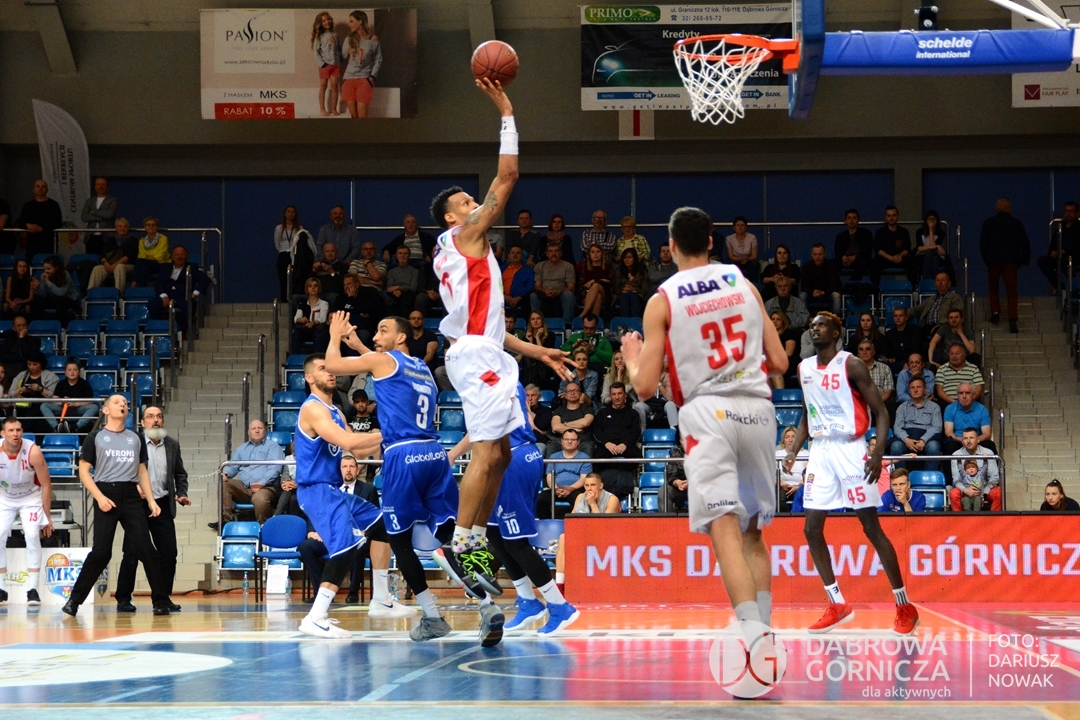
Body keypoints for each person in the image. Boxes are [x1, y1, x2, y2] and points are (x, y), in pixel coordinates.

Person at [622, 205, 789, 643]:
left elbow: (644, 388)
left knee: (724, 527)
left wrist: (632, 356)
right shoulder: (744, 283)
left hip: (708, 411)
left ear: (671, 245)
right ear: (712, 242)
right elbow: (779, 361)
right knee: (752, 530)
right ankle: (764, 633)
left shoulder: (663, 299)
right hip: (756, 408)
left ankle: (753, 637)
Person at [429, 78, 571, 591]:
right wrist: (507, 110)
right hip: (476, 356)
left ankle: (472, 540)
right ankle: (459, 544)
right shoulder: (465, 234)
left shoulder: (461, 252)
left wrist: (538, 350)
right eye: (466, 200)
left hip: (484, 349)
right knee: (488, 451)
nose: (475, 203)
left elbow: (492, 330)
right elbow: (508, 176)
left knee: (504, 453)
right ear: (452, 217)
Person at [323, 314, 495, 641]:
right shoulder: (421, 367)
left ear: (401, 337)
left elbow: (333, 365)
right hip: (434, 453)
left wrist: (334, 335)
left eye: (383, 330)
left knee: (399, 541)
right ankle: (487, 603)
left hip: (403, 455)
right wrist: (358, 345)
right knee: (449, 533)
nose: (376, 336)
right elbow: (383, 366)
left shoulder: (382, 361)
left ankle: (432, 617)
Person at [783, 312, 919, 635]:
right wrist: (793, 451)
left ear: (836, 332)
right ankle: (837, 603)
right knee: (811, 528)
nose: (815, 328)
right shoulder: (803, 368)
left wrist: (877, 454)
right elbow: (806, 414)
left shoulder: (852, 364)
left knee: (871, 527)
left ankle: (904, 606)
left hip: (851, 448)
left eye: (821, 325)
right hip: (820, 451)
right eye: (812, 325)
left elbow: (882, 413)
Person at [291, 349, 411, 639]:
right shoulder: (313, 409)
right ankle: (315, 617)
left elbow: (357, 449)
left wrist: (392, 439)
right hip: (316, 489)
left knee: (382, 525)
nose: (331, 372)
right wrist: (391, 431)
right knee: (347, 547)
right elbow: (348, 440)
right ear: (309, 378)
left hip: (333, 489)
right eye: (323, 368)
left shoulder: (335, 410)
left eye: (331, 368)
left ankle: (381, 599)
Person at [445, 385, 579, 635]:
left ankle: (559, 606)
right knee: (495, 532)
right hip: (515, 456)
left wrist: (452, 454)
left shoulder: (486, 382)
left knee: (516, 542)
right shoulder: (505, 377)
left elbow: (480, 432)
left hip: (514, 460)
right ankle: (528, 601)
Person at [63, 395, 172, 616]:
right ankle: (74, 601)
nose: (122, 404)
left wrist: (151, 500)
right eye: (116, 402)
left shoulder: (135, 438)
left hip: (131, 494)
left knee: (147, 550)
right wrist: (99, 497)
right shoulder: (95, 437)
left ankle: (161, 601)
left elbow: (142, 471)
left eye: (125, 403)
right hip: (106, 492)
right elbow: (84, 472)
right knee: (101, 553)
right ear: (105, 410)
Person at [114, 406, 187, 613]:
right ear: (142, 422)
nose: (155, 420)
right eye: (150, 416)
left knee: (169, 553)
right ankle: (123, 598)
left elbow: (180, 473)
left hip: (162, 503)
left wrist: (181, 493)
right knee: (131, 553)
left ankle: (162, 598)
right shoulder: (133, 442)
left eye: (159, 416)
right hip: (137, 505)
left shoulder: (172, 444)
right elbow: (121, 471)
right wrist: (134, 488)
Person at [0, 417, 51, 605]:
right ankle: (1, 589)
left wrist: (47, 517)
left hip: (30, 497)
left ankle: (33, 590)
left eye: (18, 430)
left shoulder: (32, 451)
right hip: (4, 497)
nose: (15, 434)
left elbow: (46, 484)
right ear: (3, 433)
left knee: (31, 535)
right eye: (11, 430)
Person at [217, 420, 284, 526]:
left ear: (265, 431)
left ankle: (264, 527)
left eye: (260, 428)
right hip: (245, 488)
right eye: (253, 428)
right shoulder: (241, 449)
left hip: (266, 487)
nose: (257, 431)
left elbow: (275, 469)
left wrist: (261, 483)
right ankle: (226, 522)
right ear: (248, 432)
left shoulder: (273, 447)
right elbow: (233, 467)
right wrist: (226, 473)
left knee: (260, 498)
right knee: (224, 483)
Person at [980, 197, 1030, 333]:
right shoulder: (1016, 223)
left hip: (993, 261)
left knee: (993, 288)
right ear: (1009, 208)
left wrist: (987, 259)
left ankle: (995, 313)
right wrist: (1024, 260)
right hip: (1011, 261)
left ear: (997, 208)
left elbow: (983, 244)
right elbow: (1024, 242)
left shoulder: (988, 223)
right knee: (1011, 291)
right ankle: (1012, 318)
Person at [590, 382, 642, 499]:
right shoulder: (602, 412)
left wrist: (625, 444)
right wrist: (606, 443)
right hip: (607, 447)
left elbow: (636, 432)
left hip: (626, 447)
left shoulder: (633, 413)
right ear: (610, 396)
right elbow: (596, 432)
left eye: (619, 394)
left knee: (637, 455)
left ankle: (620, 480)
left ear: (625, 395)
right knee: (596, 457)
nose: (617, 397)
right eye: (614, 394)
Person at [149, 245, 210, 332]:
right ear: (172, 257)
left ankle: (182, 332)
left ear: (187, 256)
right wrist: (164, 297)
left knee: (189, 307)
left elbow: (205, 279)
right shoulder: (165, 267)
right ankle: (164, 327)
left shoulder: (191, 268)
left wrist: (194, 294)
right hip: (167, 295)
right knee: (152, 305)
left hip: (183, 296)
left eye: (182, 254)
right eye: (177, 254)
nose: (179, 257)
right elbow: (158, 283)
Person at [889, 377, 943, 470]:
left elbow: (937, 427)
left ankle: (929, 477)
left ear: (925, 389)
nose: (915, 390)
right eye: (912, 387)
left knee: (933, 447)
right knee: (896, 446)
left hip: (928, 439)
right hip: (907, 439)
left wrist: (923, 440)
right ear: (909, 391)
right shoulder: (902, 407)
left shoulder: (934, 407)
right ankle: (901, 476)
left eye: (918, 387)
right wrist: (906, 440)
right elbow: (897, 427)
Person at [537, 429, 591, 518]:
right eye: (566, 439)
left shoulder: (585, 458)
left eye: (573, 439)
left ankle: (576, 524)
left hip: (575, 490)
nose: (569, 442)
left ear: (578, 442)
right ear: (562, 441)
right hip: (556, 489)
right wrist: (555, 489)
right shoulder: (554, 457)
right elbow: (550, 476)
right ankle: (547, 523)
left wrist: (570, 489)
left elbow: (584, 479)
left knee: (582, 500)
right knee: (540, 499)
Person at [341, 10, 382, 119]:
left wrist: (372, 78)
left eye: (351, 21)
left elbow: (378, 60)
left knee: (362, 118)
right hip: (348, 80)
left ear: (360, 22)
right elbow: (343, 56)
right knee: (354, 118)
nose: (349, 24)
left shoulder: (373, 39)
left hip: (364, 80)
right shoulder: (349, 39)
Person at [949, 428, 1001, 511]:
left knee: (998, 492)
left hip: (984, 489)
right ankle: (959, 519)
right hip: (965, 489)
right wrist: (966, 490)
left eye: (971, 438)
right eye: (965, 438)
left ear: (978, 440)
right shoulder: (956, 455)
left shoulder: (988, 452)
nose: (968, 441)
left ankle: (994, 519)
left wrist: (982, 492)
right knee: (953, 493)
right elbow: (956, 479)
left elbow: (994, 477)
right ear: (962, 441)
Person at [42, 358, 98, 432]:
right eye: (69, 370)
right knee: (44, 405)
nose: (72, 372)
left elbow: (90, 401)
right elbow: (54, 399)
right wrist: (62, 401)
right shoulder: (61, 384)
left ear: (79, 372)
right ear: (65, 372)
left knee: (94, 407)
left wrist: (75, 404)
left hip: (78, 410)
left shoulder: (84, 384)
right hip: (62, 409)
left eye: (75, 370)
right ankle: (56, 427)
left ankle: (76, 427)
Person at [87, 217, 140, 294]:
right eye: (120, 226)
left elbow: (129, 257)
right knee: (97, 269)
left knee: (119, 267)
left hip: (127, 265)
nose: (122, 228)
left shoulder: (133, 241)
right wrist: (106, 263)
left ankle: (118, 293)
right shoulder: (110, 240)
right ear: (116, 228)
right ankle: (91, 293)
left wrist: (114, 265)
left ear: (128, 228)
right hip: (109, 265)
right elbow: (102, 254)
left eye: (125, 226)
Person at [1037, 201, 1080, 292]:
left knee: (1065, 260)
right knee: (1042, 261)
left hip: (1075, 257)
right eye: (1066, 211)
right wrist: (1052, 252)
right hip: (1059, 257)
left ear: (1077, 213)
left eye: (1071, 211)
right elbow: (1052, 245)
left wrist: (1066, 251)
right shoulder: (1059, 229)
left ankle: (1074, 288)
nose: (1069, 214)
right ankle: (1060, 288)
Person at [531, 241, 577, 326]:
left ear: (561, 253)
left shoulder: (568, 266)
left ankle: (567, 325)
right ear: (546, 254)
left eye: (556, 251)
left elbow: (571, 287)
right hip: (544, 293)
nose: (553, 254)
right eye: (550, 251)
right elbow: (537, 286)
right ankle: (536, 323)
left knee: (569, 295)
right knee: (533, 296)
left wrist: (558, 292)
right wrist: (544, 290)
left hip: (561, 293)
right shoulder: (539, 266)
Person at [910, 271, 963, 342]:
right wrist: (904, 315)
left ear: (949, 283)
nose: (940, 283)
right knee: (913, 331)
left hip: (943, 326)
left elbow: (956, 316)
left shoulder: (955, 298)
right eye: (938, 280)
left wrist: (939, 325)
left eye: (943, 280)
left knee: (938, 332)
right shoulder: (931, 299)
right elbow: (916, 309)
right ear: (935, 284)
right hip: (926, 326)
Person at [942, 383, 994, 456]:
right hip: (957, 440)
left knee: (989, 445)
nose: (964, 396)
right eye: (961, 393)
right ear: (957, 395)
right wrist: (962, 440)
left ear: (973, 395)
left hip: (977, 441)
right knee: (949, 445)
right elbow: (948, 432)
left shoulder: (982, 409)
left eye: (967, 393)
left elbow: (987, 433)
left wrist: (974, 441)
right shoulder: (950, 408)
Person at [17, 179, 62, 260]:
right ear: (33, 190)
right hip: (32, 241)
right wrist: (28, 225)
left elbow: (57, 223)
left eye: (43, 186)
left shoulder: (54, 205)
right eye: (38, 186)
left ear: (47, 190)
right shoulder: (28, 206)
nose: (40, 188)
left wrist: (41, 228)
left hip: (48, 241)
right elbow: (21, 221)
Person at [871, 205, 916, 287]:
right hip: (885, 259)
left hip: (900, 258)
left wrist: (900, 256)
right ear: (886, 218)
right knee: (874, 263)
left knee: (912, 262)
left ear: (898, 217)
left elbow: (907, 249)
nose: (891, 218)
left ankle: (912, 289)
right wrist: (891, 258)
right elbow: (878, 250)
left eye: (894, 215)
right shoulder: (880, 232)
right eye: (889, 216)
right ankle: (875, 290)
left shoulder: (904, 231)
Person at [548, 381, 595, 456]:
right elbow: (555, 427)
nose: (572, 393)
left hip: (582, 442)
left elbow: (585, 423)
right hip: (561, 442)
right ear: (565, 395)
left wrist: (564, 424)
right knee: (551, 446)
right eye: (569, 391)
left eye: (575, 390)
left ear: (580, 394)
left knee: (588, 447)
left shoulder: (588, 409)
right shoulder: (559, 410)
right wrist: (576, 429)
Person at [32, 255, 79, 325]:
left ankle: (62, 326)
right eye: (45, 269)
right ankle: (40, 325)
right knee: (37, 301)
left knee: (60, 301)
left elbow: (61, 293)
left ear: (56, 268)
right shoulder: (43, 276)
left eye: (49, 269)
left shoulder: (65, 275)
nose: (46, 271)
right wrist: (36, 289)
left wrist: (48, 282)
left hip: (70, 299)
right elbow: (43, 294)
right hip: (54, 299)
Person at [80, 177, 118, 257]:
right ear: (95, 187)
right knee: (91, 259)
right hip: (91, 236)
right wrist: (100, 217)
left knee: (106, 259)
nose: (101, 186)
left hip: (107, 237)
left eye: (103, 184)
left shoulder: (113, 200)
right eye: (98, 184)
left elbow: (110, 214)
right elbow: (84, 217)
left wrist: (94, 212)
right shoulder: (90, 201)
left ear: (107, 187)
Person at [311, 12, 341, 116]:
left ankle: (333, 109)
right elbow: (316, 52)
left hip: (335, 64)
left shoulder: (335, 35)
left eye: (328, 19)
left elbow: (339, 49)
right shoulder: (319, 36)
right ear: (320, 23)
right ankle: (322, 109)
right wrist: (322, 64)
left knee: (334, 86)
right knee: (323, 85)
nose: (326, 22)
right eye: (323, 21)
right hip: (324, 65)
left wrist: (340, 60)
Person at [292, 277, 331, 355]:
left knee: (319, 334)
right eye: (310, 286)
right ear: (307, 289)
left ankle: (318, 358)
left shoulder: (324, 304)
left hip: (317, 329)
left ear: (319, 289)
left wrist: (313, 323)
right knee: (296, 334)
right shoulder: (302, 304)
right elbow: (296, 318)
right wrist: (301, 320)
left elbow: (323, 318)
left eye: (315, 286)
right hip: (305, 329)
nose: (313, 288)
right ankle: (296, 357)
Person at [799, 243, 842, 315]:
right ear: (811, 255)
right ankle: (805, 319)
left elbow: (836, 285)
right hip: (812, 294)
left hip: (827, 294)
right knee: (802, 296)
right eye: (815, 254)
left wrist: (823, 292)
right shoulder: (807, 267)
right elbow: (804, 286)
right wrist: (812, 291)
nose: (817, 257)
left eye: (820, 254)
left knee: (836, 296)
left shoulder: (831, 266)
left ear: (825, 254)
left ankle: (836, 320)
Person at [834, 208, 873, 281]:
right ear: (845, 221)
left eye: (854, 218)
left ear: (858, 220)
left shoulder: (866, 233)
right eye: (849, 218)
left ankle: (852, 283)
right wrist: (843, 257)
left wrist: (855, 257)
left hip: (860, 259)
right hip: (845, 260)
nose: (851, 220)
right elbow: (837, 251)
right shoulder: (840, 236)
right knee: (830, 264)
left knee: (863, 263)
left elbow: (867, 250)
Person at [881, 306, 922, 375]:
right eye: (895, 316)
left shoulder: (914, 331)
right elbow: (888, 350)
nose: (898, 318)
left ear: (906, 318)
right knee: (882, 365)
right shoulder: (889, 334)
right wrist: (890, 357)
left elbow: (916, 349)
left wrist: (908, 362)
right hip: (897, 363)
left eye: (901, 315)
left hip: (911, 362)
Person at [575, 244, 612, 319]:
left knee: (596, 285)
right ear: (589, 255)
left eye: (598, 252)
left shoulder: (607, 266)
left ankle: (582, 315)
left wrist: (595, 281)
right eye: (592, 252)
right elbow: (582, 285)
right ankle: (593, 321)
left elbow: (611, 282)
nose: (595, 254)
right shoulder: (585, 267)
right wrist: (599, 281)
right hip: (587, 294)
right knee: (598, 296)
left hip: (605, 294)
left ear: (602, 254)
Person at [133, 217, 170, 288]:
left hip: (162, 264)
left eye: (153, 225)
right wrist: (150, 258)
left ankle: (134, 283)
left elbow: (161, 255)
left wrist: (148, 257)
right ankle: (142, 289)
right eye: (148, 225)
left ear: (157, 227)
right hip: (148, 264)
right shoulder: (141, 241)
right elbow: (142, 256)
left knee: (140, 262)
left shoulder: (163, 238)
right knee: (144, 269)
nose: (151, 226)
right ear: (145, 227)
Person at [777, 426, 807, 512]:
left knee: (802, 495)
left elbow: (809, 474)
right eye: (787, 437)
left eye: (793, 437)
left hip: (799, 486)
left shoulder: (805, 454)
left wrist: (799, 485)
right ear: (783, 440)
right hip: (782, 486)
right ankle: (784, 518)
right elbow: (770, 476)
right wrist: (780, 484)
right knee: (778, 496)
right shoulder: (777, 454)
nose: (790, 440)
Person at [914, 210, 949, 282]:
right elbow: (920, 248)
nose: (932, 221)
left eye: (934, 219)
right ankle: (933, 282)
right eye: (929, 219)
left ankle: (926, 281)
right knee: (931, 255)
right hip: (921, 257)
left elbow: (933, 247)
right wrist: (934, 247)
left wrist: (931, 230)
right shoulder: (919, 232)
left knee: (933, 256)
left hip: (936, 256)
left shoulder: (941, 233)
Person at [385, 246, 420, 317]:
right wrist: (395, 290)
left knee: (405, 300)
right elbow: (389, 288)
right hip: (394, 294)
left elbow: (413, 288)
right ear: (396, 255)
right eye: (400, 253)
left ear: (409, 256)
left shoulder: (415, 271)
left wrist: (399, 288)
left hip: (409, 295)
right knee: (390, 300)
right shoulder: (391, 271)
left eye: (405, 253)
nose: (402, 256)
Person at [613, 247, 647, 317]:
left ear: (634, 258)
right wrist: (624, 289)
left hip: (637, 296)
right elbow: (615, 290)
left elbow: (644, 291)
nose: (626, 260)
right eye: (625, 258)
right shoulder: (618, 273)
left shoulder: (642, 273)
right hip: (621, 296)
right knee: (625, 297)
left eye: (629, 257)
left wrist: (633, 289)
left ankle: (635, 321)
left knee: (633, 296)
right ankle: (625, 321)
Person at [724, 216, 759, 283]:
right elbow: (731, 256)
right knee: (732, 265)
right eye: (738, 225)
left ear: (746, 227)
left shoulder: (752, 237)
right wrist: (740, 259)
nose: (740, 227)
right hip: (736, 260)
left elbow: (754, 256)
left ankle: (753, 285)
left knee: (754, 265)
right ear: (734, 227)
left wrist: (747, 259)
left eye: (742, 225)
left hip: (749, 260)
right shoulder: (729, 239)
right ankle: (734, 285)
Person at [503, 246, 533, 318]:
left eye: (518, 253)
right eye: (513, 253)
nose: (515, 255)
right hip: (503, 299)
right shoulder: (501, 269)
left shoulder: (528, 270)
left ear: (522, 256)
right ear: (509, 256)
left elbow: (530, 286)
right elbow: (495, 286)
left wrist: (519, 297)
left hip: (522, 299)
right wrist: (504, 296)